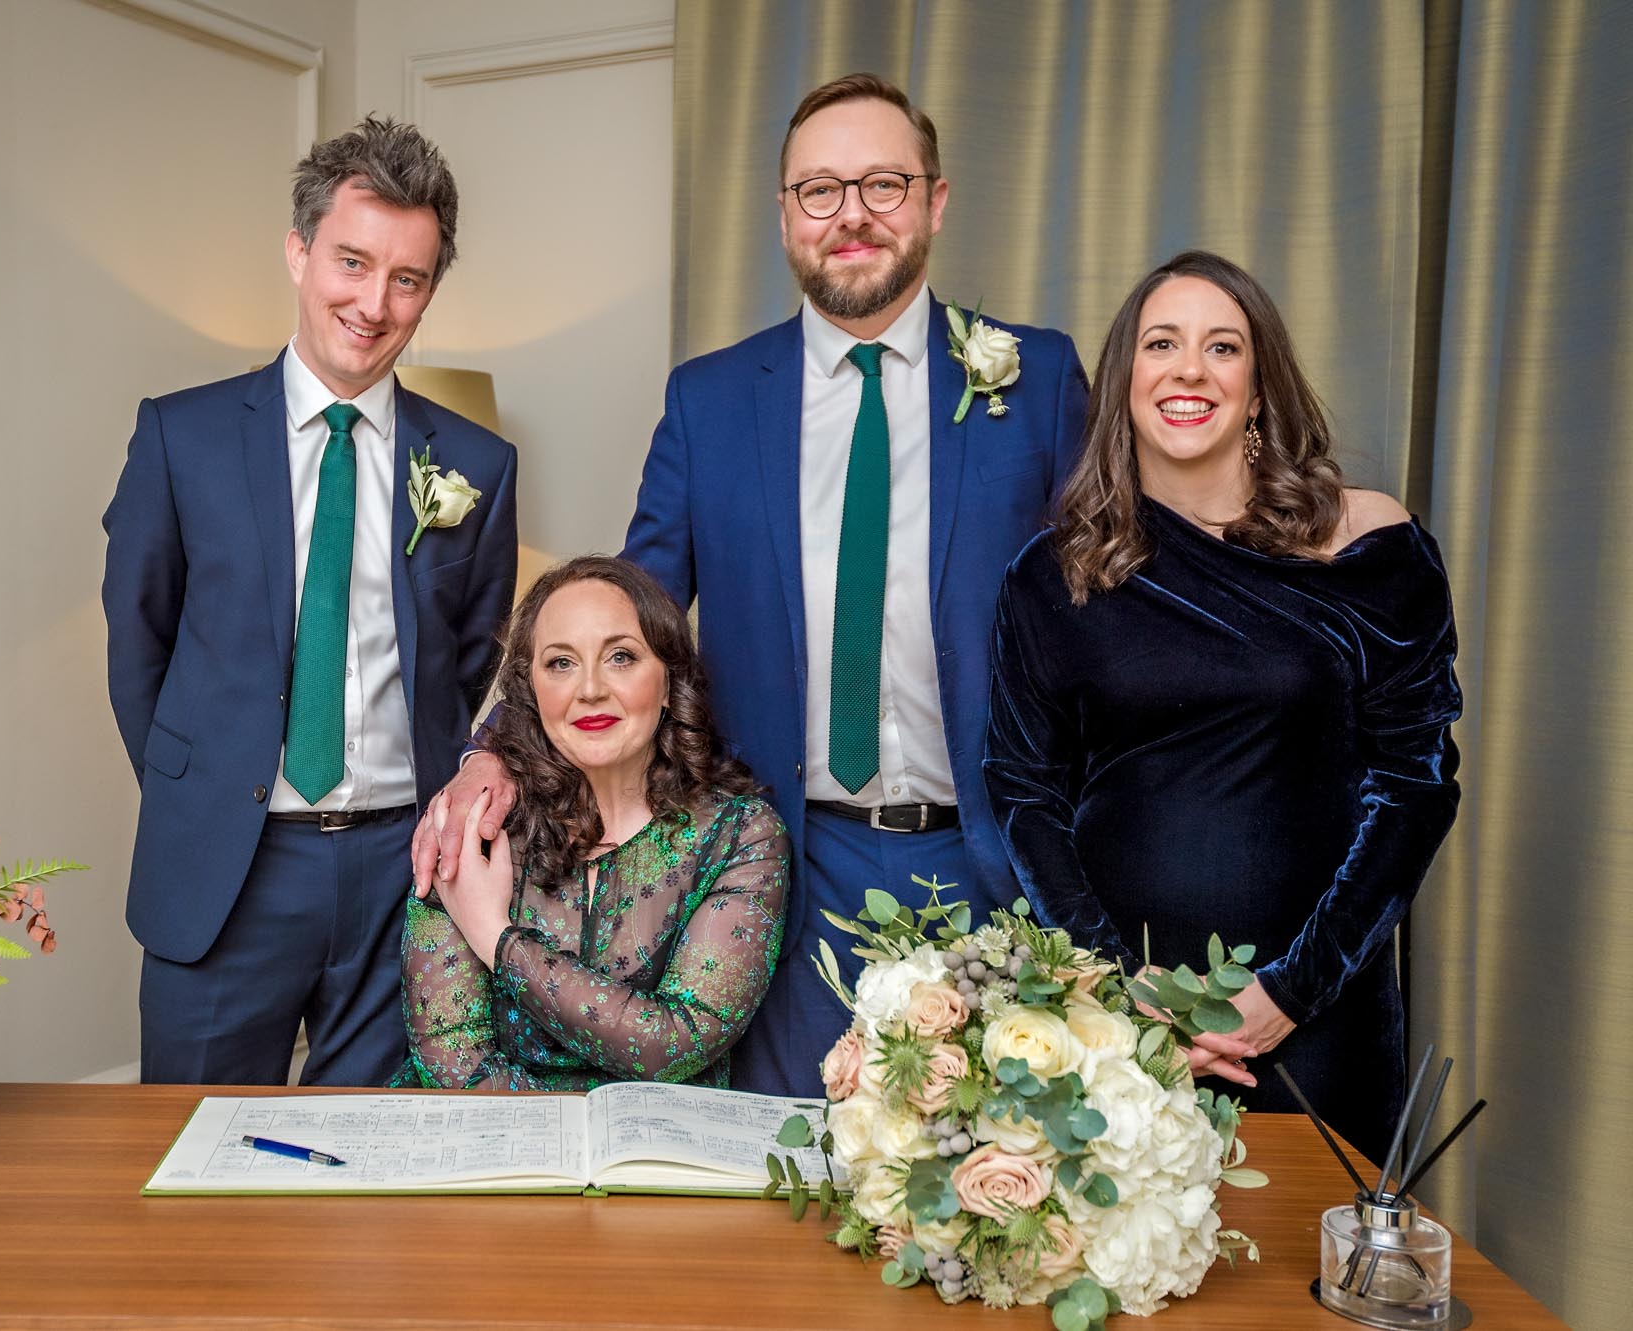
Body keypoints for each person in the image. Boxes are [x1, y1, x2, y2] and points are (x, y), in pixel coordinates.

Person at [413, 73, 1089, 1097]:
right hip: (780, 871)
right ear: (783, 214)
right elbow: (621, 609)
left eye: (881, 184)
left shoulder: (1034, 382)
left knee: (975, 1191)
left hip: (988, 857)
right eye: (818, 190)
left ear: (935, 200)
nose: (850, 213)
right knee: (787, 1184)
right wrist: (485, 752)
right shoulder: (711, 399)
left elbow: (1103, 616)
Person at [983, 249, 1462, 1162]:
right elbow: (1021, 790)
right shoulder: (1052, 574)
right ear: (1125, 378)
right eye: (1161, 343)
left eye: (1223, 346)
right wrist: (1119, 983)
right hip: (1119, 1027)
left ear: (1259, 382)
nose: (1189, 368)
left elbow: (1416, 785)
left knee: (1309, 1283)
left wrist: (1290, 990)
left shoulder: (1369, 545)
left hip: (1318, 1014)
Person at [102, 116, 517, 1086]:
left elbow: (469, 653)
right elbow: (140, 648)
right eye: (350, 262)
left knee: (368, 1185)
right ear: (298, 253)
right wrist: (207, 791)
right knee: (192, 1157)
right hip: (229, 865)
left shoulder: (474, 463)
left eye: (406, 278)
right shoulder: (182, 438)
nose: (372, 303)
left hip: (398, 871)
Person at [402, 556, 789, 1090]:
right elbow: (450, 1058)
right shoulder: (477, 821)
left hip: (662, 1156)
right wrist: (557, 1154)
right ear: (529, 688)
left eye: (621, 658)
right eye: (561, 663)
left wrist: (497, 938)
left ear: (670, 676)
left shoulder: (741, 835)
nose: (589, 690)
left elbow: (674, 1044)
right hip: (494, 1151)